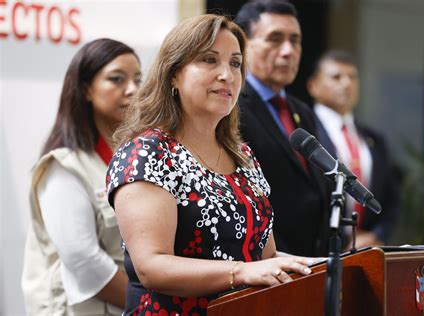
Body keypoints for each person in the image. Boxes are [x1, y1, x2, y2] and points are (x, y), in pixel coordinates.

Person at [107, 14, 320, 316]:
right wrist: (240, 272)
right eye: (209, 60)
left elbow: (264, 256)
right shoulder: (148, 153)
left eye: (235, 63)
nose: (227, 75)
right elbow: (152, 266)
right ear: (173, 75)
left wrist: (317, 267)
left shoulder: (242, 155)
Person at [22, 38, 141, 315]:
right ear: (86, 89)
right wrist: (149, 306)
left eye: (138, 79)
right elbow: (85, 263)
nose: (133, 89)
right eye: (116, 79)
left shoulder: (135, 156)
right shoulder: (63, 167)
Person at [234, 1, 331, 257]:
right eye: (275, 39)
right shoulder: (231, 109)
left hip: (312, 263)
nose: (288, 51)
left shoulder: (303, 111)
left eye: (295, 40)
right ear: (244, 43)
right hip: (266, 265)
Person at [306, 50, 400, 248]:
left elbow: (392, 201)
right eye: (336, 77)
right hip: (316, 250)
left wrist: (374, 236)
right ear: (313, 85)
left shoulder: (374, 138)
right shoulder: (305, 134)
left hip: (366, 250)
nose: (346, 83)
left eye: (352, 77)